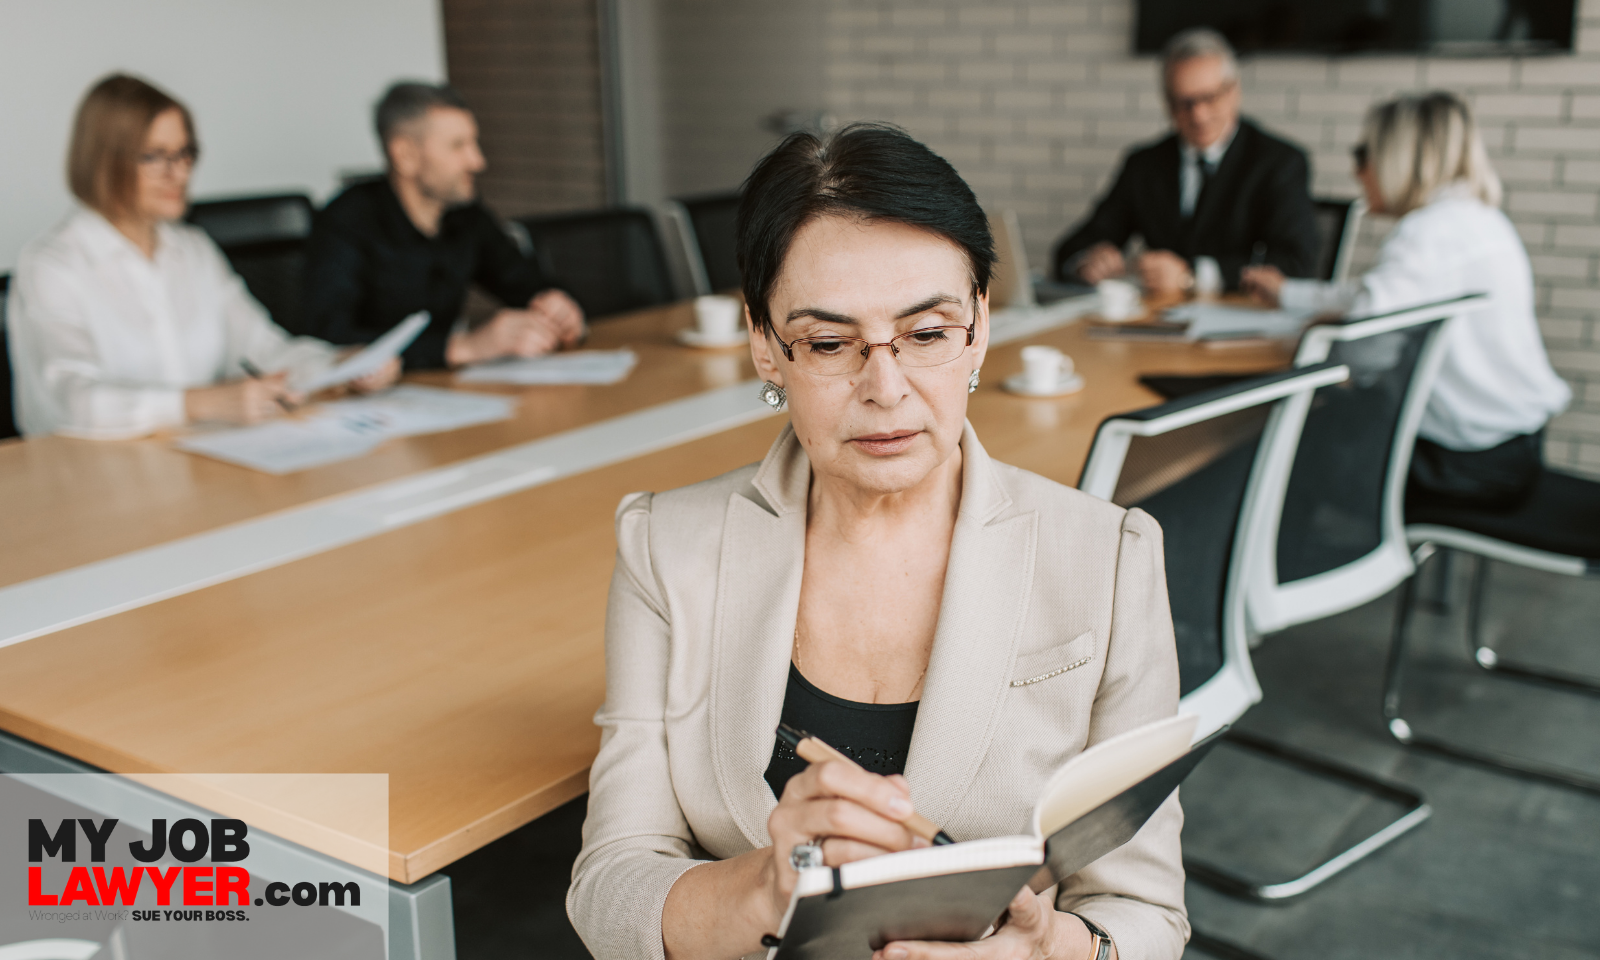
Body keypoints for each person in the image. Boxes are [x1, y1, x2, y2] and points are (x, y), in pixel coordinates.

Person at [569, 124, 1188, 960]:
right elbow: (609, 889)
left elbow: (1146, 914)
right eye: (828, 344)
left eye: (926, 334)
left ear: (978, 329)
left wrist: (1057, 952)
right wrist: (769, 888)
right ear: (765, 345)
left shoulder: (1108, 557)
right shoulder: (664, 548)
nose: (886, 390)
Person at [8, 74, 397, 440]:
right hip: (89, 481)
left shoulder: (192, 250)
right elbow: (71, 401)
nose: (178, 173)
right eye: (155, 157)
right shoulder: (52, 265)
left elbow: (266, 350)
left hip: (200, 462)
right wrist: (200, 403)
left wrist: (342, 366)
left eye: (184, 154)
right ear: (105, 160)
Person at [1243, 92, 1570, 509]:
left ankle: (1307, 562)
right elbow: (1368, 296)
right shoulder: (1479, 219)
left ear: (1397, 157)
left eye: (1364, 153)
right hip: (1512, 445)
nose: (1356, 170)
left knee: (1279, 447)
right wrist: (1287, 293)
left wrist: (1319, 331)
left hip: (1465, 461)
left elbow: (1358, 352)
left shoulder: (1424, 236)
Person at [302, 82, 584, 369]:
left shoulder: (465, 214)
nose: (477, 161)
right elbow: (327, 337)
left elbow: (522, 280)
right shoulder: (346, 220)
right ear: (405, 155)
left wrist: (557, 306)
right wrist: (462, 347)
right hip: (366, 403)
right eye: (458, 146)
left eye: (473, 144)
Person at [1052, 28, 1318, 297]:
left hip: (1240, 321)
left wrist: (1193, 276)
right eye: (1184, 102)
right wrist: (1087, 261)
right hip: (1154, 320)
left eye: (1209, 98)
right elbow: (1073, 247)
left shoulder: (1279, 162)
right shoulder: (1144, 164)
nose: (1199, 115)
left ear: (1233, 92)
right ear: (1167, 103)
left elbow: (1296, 263)